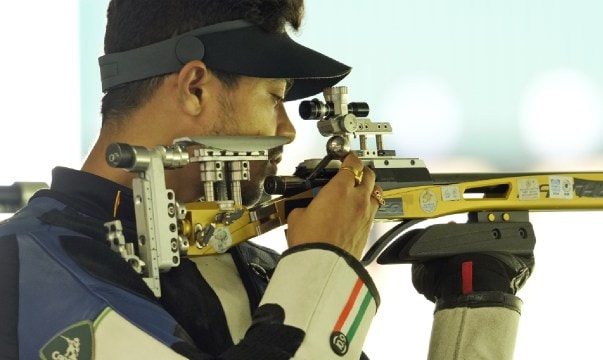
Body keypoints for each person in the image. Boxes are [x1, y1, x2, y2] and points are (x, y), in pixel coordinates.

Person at [0, 0, 534, 359]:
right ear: (195, 88)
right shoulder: (22, 271)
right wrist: (324, 264)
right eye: (275, 98)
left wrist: (475, 307)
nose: (283, 130)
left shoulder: (262, 273)